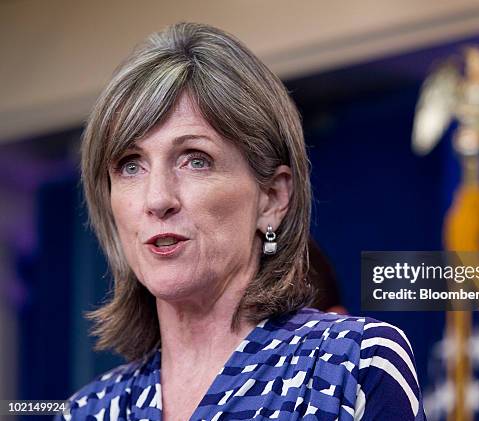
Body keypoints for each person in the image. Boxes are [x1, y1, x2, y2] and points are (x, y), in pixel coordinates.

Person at [56, 22, 426, 421]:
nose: (157, 198)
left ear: (272, 197)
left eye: (195, 160)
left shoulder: (352, 367)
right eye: (131, 166)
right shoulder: (87, 411)